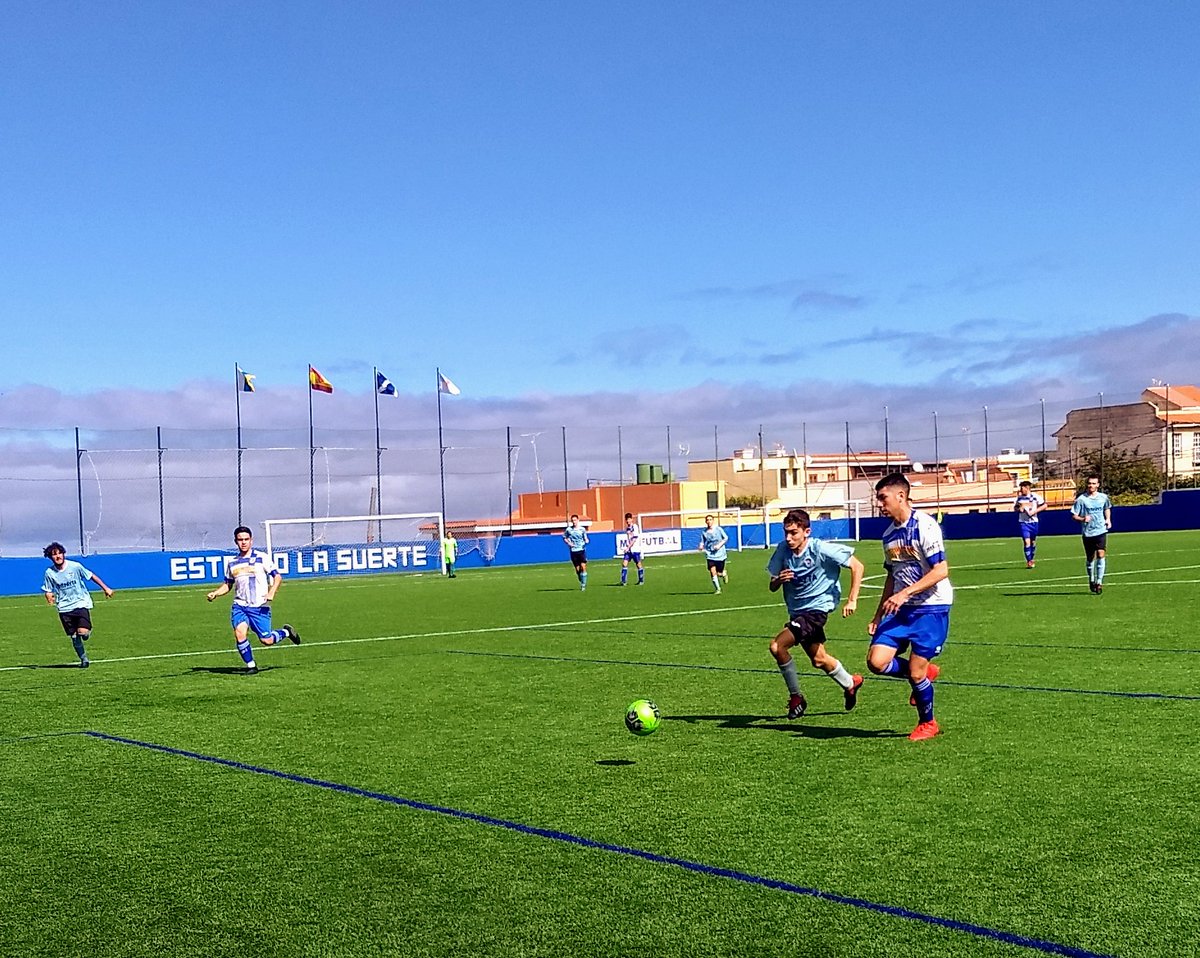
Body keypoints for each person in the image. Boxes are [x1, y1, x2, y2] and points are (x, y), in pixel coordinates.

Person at [867, 474, 953, 742]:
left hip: (931, 608)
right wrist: (879, 613)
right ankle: (926, 673)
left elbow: (941, 570)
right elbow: (892, 576)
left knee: (915, 673)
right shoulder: (888, 535)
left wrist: (905, 594)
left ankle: (928, 723)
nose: (879, 504)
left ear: (900, 496)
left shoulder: (925, 526)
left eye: (883, 498)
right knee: (876, 662)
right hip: (901, 609)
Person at [766, 509, 865, 718]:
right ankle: (850, 683)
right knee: (819, 659)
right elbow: (772, 585)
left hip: (817, 610)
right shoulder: (783, 550)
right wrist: (778, 580)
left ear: (807, 531)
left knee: (777, 646)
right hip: (797, 612)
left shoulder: (820, 549)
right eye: (786, 533)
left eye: (794, 533)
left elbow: (857, 566)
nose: (788, 538)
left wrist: (853, 599)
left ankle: (796, 697)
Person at [206, 526, 300, 674]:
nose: (243, 542)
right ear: (235, 542)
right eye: (240, 540)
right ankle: (251, 666)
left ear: (251, 540)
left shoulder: (261, 557)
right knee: (240, 633)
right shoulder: (232, 562)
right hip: (240, 606)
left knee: (267, 640)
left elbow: (277, 577)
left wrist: (271, 593)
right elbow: (228, 584)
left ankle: (286, 633)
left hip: (260, 606)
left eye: (246, 539)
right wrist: (216, 593)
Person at [41, 542, 114, 669]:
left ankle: (86, 632)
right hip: (64, 608)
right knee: (74, 636)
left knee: (83, 633)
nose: (57, 556)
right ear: (50, 557)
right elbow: (48, 589)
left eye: (59, 553)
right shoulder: (49, 573)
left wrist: (106, 588)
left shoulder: (75, 566)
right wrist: (48, 595)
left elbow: (91, 576)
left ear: (63, 554)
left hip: (80, 603)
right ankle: (83, 659)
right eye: (54, 554)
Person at [1071, 475, 1112, 594]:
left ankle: (1099, 582)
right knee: (1090, 558)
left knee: (1101, 553)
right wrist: (1083, 519)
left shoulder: (1103, 497)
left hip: (1101, 530)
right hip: (1088, 532)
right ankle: (1091, 579)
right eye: (1089, 483)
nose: (1091, 486)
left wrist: (1108, 519)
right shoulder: (1081, 499)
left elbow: (1107, 508)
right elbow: (1074, 515)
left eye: (1094, 483)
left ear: (1098, 485)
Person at [1013, 480, 1047, 567]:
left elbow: (1045, 506)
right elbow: (1016, 507)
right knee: (1026, 542)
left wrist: (1035, 511)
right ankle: (1029, 561)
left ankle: (1031, 558)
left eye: (1022, 488)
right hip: (1023, 523)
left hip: (1034, 522)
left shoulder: (1035, 497)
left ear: (1027, 488)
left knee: (1033, 542)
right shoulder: (1019, 498)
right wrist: (1019, 509)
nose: (1021, 490)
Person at [697, 514, 730, 593]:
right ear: (706, 522)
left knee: (719, 573)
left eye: (710, 519)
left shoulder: (718, 529)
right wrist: (701, 546)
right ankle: (718, 589)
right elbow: (702, 541)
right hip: (710, 554)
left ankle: (723, 574)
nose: (709, 521)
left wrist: (719, 545)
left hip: (720, 554)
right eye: (707, 520)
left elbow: (726, 538)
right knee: (712, 571)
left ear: (713, 520)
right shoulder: (704, 532)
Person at [562, 515, 589, 590]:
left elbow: (585, 537)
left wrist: (587, 540)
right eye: (572, 520)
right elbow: (564, 537)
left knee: (583, 567)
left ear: (578, 520)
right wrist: (569, 543)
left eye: (575, 520)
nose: (574, 522)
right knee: (577, 570)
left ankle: (583, 585)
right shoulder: (569, 530)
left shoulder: (582, 529)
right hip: (573, 551)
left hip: (581, 550)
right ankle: (580, 577)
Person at [620, 512, 644, 585]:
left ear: (632, 519)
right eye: (626, 519)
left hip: (635, 549)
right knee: (624, 564)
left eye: (629, 519)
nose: (628, 521)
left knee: (638, 564)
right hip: (629, 550)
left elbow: (634, 539)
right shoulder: (627, 528)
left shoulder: (635, 527)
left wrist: (628, 547)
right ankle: (623, 581)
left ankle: (641, 580)